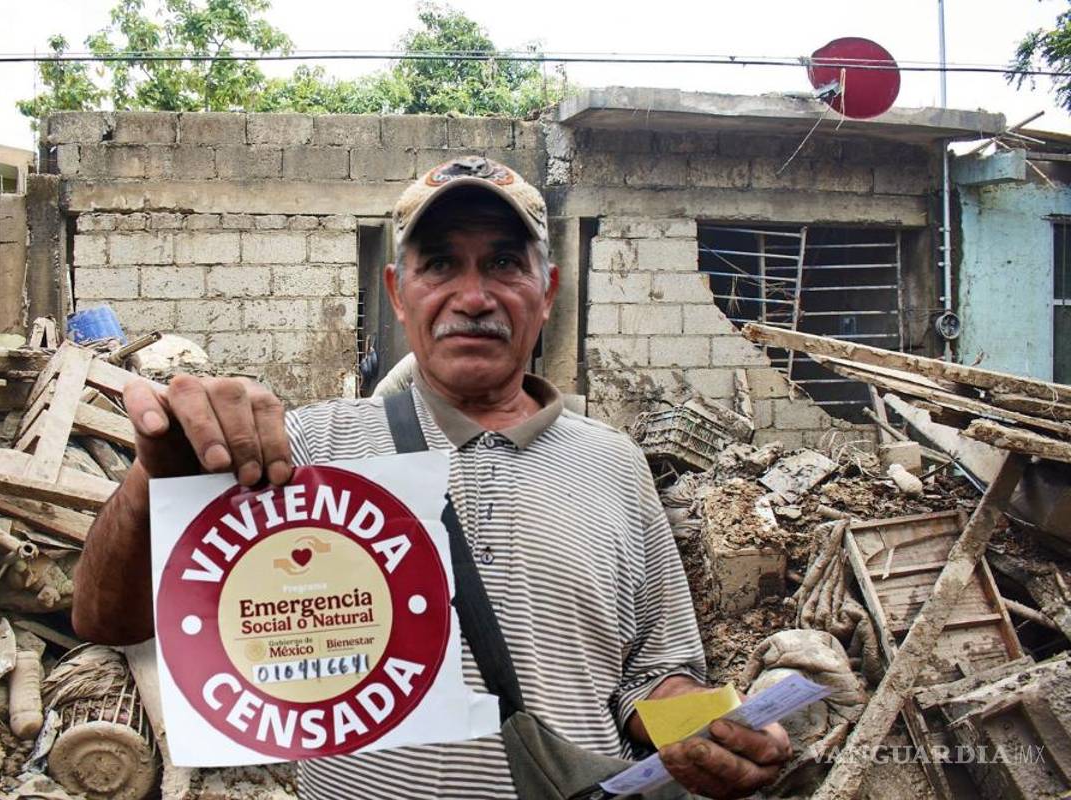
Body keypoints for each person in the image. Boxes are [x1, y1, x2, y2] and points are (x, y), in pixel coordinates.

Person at [72, 155, 791, 799]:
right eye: (440, 265)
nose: (473, 296)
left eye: (505, 263)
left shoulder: (614, 463)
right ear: (397, 290)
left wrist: (705, 729)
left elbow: (652, 672)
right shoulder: (304, 449)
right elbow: (108, 621)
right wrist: (152, 481)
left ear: (547, 290)